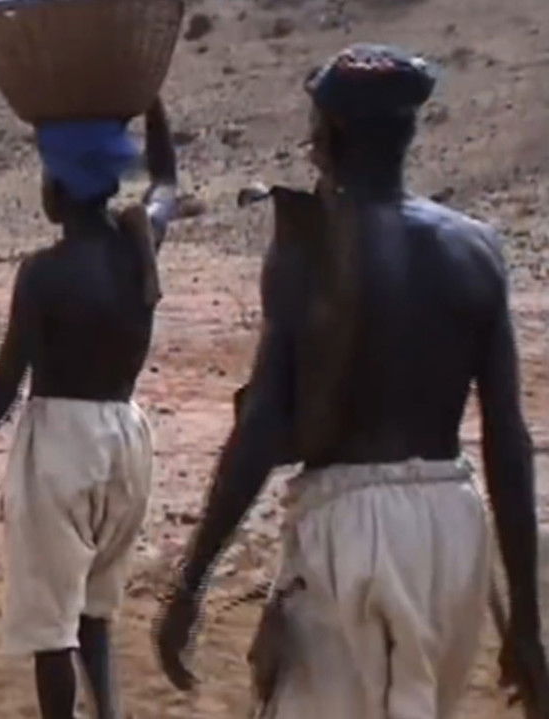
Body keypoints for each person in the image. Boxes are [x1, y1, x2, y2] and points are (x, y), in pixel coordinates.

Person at [154, 44, 549, 718]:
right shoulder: (477, 248)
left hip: (347, 524)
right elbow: (506, 441)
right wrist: (527, 623)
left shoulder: (307, 249)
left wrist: (192, 578)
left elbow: (263, 425)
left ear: (329, 136)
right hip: (454, 526)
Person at [0, 98, 177, 719]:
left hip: (62, 446)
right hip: (128, 440)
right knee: (94, 608)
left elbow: (5, 386)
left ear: (58, 186)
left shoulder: (45, 273)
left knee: (51, 625)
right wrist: (151, 94)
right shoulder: (142, 244)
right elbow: (167, 179)